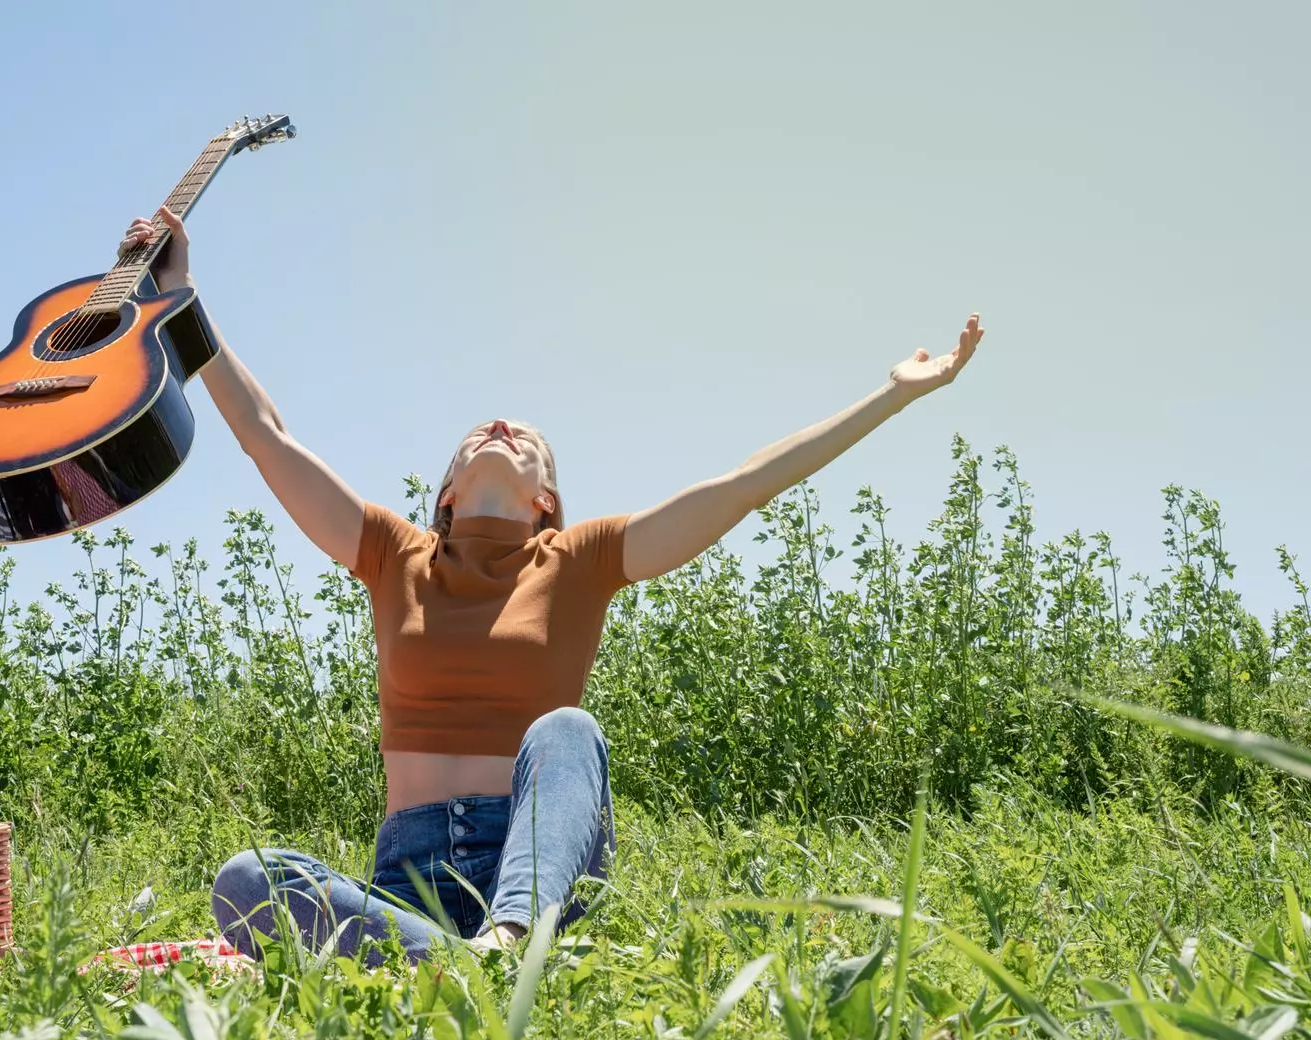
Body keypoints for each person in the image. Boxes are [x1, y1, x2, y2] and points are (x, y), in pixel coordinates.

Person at [120, 206, 984, 963]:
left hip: (529, 870)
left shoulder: (578, 560)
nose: (502, 427)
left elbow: (742, 485)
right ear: (447, 492)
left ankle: (503, 944)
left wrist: (891, 396)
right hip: (405, 888)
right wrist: (178, 299)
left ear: (547, 503)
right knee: (249, 880)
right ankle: (463, 971)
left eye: (527, 436)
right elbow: (266, 435)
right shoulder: (392, 552)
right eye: (480, 432)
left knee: (569, 728)